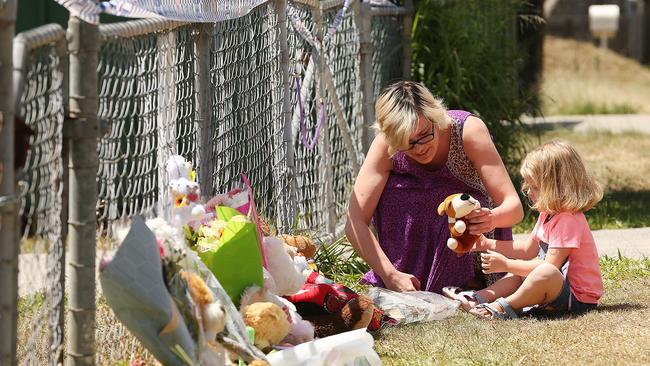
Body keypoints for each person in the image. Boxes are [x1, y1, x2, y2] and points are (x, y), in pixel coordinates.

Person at [345, 81, 523, 293]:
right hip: (407, 253)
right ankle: (404, 277)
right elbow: (355, 221)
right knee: (395, 195)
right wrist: (390, 274)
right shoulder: (388, 144)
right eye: (408, 143)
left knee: (448, 202)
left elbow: (514, 207)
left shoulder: (467, 130)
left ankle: (469, 281)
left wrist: (490, 218)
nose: (420, 148)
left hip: (471, 235)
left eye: (424, 134)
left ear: (435, 116)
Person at [445, 140, 604, 319]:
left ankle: (503, 306)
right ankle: (479, 297)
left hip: (576, 299)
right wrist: (487, 243)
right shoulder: (548, 214)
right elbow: (527, 250)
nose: (528, 192)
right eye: (528, 186)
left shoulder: (569, 219)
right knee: (521, 269)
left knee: (541, 271)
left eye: (534, 187)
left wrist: (506, 264)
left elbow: (550, 267)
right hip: (557, 289)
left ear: (558, 187)